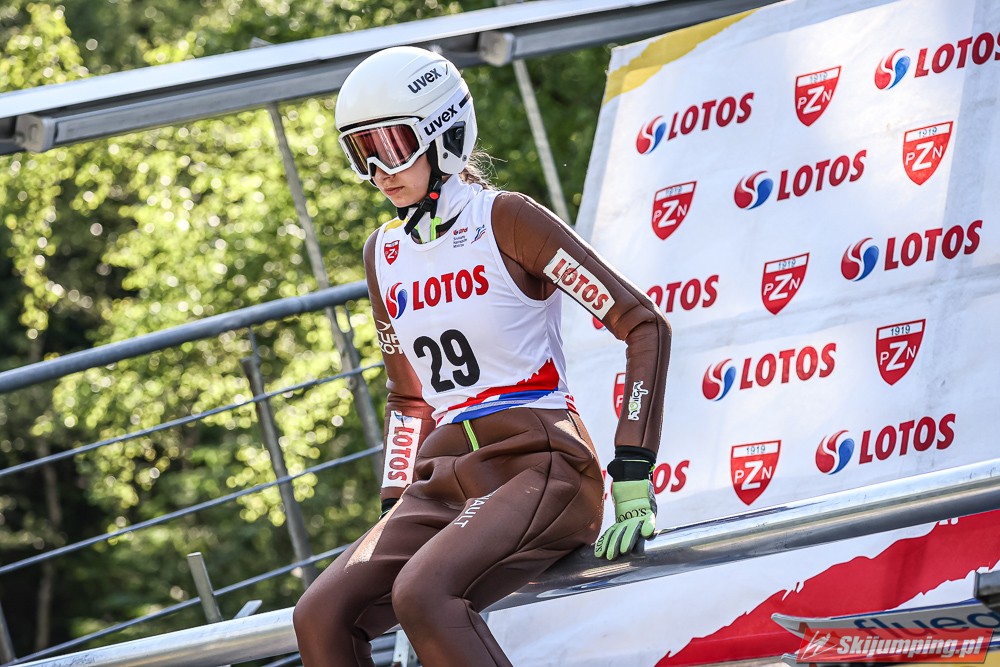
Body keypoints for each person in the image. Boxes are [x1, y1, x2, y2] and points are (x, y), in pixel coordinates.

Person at [292, 45, 672, 667]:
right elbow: (409, 396)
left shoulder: (507, 219)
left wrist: (632, 467)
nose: (379, 171)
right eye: (361, 153)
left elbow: (642, 324)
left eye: (392, 145)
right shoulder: (382, 253)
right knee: (320, 614)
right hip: (443, 478)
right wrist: (393, 505)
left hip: (539, 463)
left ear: (445, 135)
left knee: (423, 594)